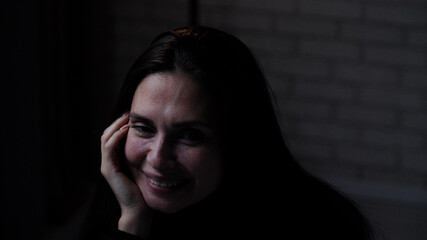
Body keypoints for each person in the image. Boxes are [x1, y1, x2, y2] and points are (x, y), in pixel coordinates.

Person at [80, 26, 373, 239]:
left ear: (237, 140)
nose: (157, 158)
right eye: (144, 128)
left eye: (189, 135)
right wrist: (132, 221)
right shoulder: (120, 206)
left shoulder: (322, 225)